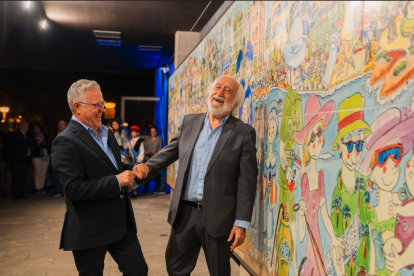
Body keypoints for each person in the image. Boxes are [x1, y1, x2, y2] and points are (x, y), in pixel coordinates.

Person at [133, 76, 257, 276]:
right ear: (210, 92)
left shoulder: (243, 133)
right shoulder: (190, 122)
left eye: (227, 90)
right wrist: (140, 172)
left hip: (219, 217)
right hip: (185, 214)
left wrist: (241, 223)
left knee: (219, 272)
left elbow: (247, 181)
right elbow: (168, 154)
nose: (220, 93)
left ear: (235, 102)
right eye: (217, 87)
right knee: (175, 269)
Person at [51, 79, 149, 276]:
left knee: (139, 271)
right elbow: (73, 189)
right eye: (96, 105)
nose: (102, 109)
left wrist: (134, 166)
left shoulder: (106, 133)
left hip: (121, 225)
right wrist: (116, 181)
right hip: (90, 228)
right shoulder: (65, 141)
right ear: (77, 107)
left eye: (102, 103)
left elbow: (114, 166)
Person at [360, 107, 414, 276]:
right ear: (371, 172)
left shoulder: (402, 201)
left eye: (396, 153)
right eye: (383, 157)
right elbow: (372, 256)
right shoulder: (371, 213)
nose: (392, 165)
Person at [295, 95, 342, 276]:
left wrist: (333, 237)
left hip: (319, 241)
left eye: (319, 134)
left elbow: (324, 214)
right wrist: (301, 213)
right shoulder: (305, 179)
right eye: (312, 136)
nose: (316, 141)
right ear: (307, 143)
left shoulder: (321, 176)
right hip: (310, 241)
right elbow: (300, 234)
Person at [330, 93, 372, 276]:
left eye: (359, 145)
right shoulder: (337, 193)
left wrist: (368, 269)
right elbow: (337, 242)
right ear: (339, 145)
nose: (355, 153)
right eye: (349, 146)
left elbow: (368, 228)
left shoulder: (364, 185)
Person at [11, 121, 33, 201]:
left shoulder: (25, 135)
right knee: (16, 177)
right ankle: (15, 194)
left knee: (23, 177)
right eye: (25, 125)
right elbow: (24, 142)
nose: (27, 127)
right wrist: (36, 139)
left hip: (24, 159)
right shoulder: (17, 134)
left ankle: (21, 192)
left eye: (27, 125)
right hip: (18, 159)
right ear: (21, 125)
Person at [30, 123, 50, 196]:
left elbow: (48, 145)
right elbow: (33, 147)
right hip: (36, 156)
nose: (36, 129)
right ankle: (37, 188)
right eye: (35, 128)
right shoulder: (32, 137)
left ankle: (41, 188)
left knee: (43, 173)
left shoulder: (44, 136)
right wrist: (38, 142)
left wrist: (42, 143)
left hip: (45, 156)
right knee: (37, 172)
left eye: (37, 128)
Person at [141, 126, 162, 193]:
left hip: (156, 158)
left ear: (156, 131)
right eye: (151, 131)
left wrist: (151, 153)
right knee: (146, 174)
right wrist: (146, 152)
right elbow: (143, 147)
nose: (153, 132)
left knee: (156, 174)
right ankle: (146, 188)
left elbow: (159, 148)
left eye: (154, 131)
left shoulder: (159, 138)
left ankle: (157, 188)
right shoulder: (147, 138)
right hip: (147, 159)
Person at [49, 120, 67, 197]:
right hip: (56, 157)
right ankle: (57, 191)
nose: (60, 125)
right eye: (59, 124)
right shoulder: (55, 135)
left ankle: (65, 191)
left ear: (65, 125)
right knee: (56, 174)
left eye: (62, 124)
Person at [0, 122, 12, 198]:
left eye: (7, 126)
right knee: (2, 175)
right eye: (4, 127)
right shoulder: (0, 135)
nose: (6, 128)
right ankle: (4, 190)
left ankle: (13, 189)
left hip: (11, 158)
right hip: (2, 158)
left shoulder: (11, 135)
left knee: (14, 174)